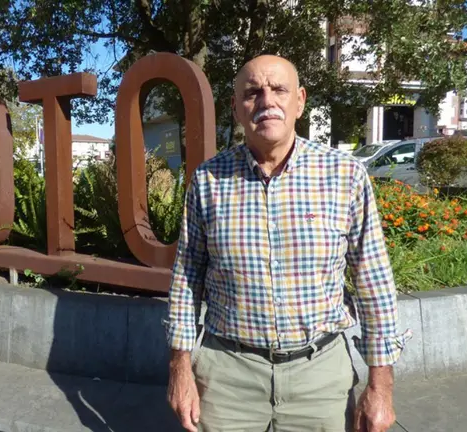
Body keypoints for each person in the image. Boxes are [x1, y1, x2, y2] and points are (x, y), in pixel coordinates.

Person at [165, 54, 411, 432]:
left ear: (300, 100)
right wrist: (180, 370)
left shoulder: (345, 175)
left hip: (319, 378)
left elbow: (373, 284)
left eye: (279, 89)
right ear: (236, 107)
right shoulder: (208, 180)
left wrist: (381, 386)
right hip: (227, 378)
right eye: (252, 92)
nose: (267, 101)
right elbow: (186, 279)